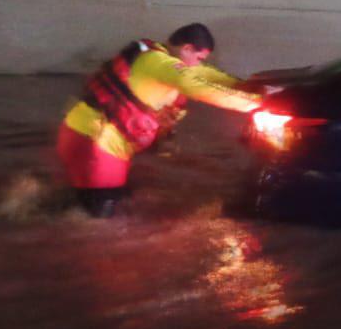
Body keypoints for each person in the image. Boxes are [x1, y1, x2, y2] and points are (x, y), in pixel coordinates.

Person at [57, 23, 261, 217]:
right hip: (94, 140)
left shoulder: (161, 58)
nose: (199, 63)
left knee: (106, 201)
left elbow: (210, 76)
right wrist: (256, 104)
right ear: (187, 48)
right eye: (199, 58)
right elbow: (197, 87)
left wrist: (257, 89)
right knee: (99, 217)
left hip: (92, 135)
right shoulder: (157, 62)